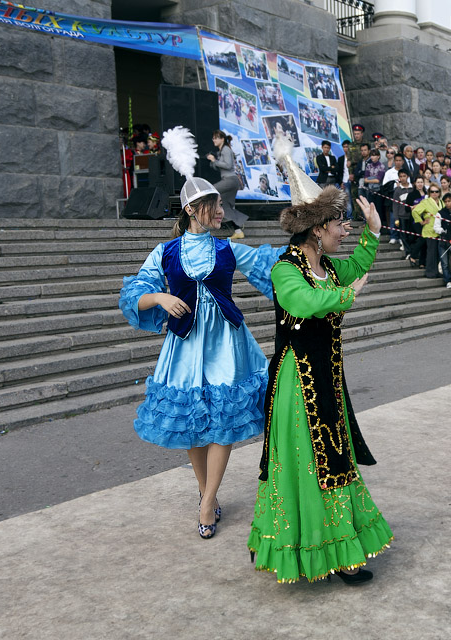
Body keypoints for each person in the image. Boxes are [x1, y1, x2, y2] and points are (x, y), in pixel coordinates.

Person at [248, 150, 392, 585]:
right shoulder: (285, 269)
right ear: (316, 229)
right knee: (309, 464)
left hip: (327, 376)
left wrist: (373, 233)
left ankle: (342, 550)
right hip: (300, 381)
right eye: (339, 223)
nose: (343, 230)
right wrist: (349, 296)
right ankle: (305, 548)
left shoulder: (325, 264)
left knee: (335, 457)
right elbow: (304, 303)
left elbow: (355, 268)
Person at [119, 175, 281, 539]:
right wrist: (160, 298)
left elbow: (271, 267)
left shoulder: (228, 249)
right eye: (216, 206)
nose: (223, 211)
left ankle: (207, 502)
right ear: (192, 210)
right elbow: (135, 295)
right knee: (192, 422)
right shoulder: (165, 252)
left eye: (222, 205)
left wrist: (309, 245)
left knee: (224, 421)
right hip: (186, 345)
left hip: (227, 343)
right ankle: (207, 492)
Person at [206, 130, 247, 240]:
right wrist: (213, 161)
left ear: (222, 139)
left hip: (230, 180)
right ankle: (238, 231)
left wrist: (215, 160)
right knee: (225, 206)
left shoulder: (226, 149)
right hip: (230, 181)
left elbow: (228, 165)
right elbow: (218, 167)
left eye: (216, 138)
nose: (213, 140)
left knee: (211, 190)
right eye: (213, 138)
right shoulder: (222, 151)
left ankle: (207, 219)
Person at [408, 183, 443, 278]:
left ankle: (436, 271)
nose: (435, 193)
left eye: (437, 191)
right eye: (432, 192)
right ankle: (430, 272)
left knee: (437, 253)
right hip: (429, 230)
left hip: (439, 231)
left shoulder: (441, 202)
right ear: (429, 193)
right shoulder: (426, 202)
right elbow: (415, 211)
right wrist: (421, 221)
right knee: (431, 252)